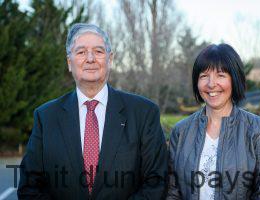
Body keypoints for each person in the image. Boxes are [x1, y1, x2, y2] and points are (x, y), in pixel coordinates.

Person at [18, 23, 167, 200]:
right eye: (81, 52)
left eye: (98, 51)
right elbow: (30, 188)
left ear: (110, 59)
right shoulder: (46, 116)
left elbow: (156, 183)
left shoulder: (144, 113)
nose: (90, 58)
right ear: (69, 63)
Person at [167, 44, 260, 199]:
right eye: (204, 76)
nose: (211, 84)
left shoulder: (259, 130)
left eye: (220, 75)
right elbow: (173, 192)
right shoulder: (181, 131)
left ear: (234, 79)